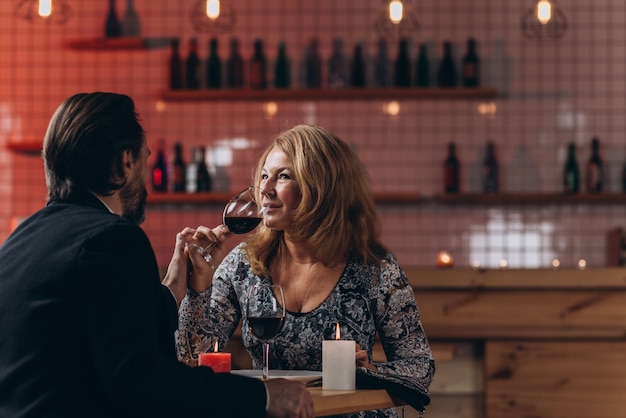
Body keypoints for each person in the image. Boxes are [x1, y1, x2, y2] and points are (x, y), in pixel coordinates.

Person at [0, 92, 313, 418]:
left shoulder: (18, 242)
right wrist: (262, 397)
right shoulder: (112, 238)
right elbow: (143, 381)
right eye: (145, 160)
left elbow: (108, 333)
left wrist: (172, 289)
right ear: (125, 163)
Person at [173, 124, 435, 418]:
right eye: (263, 176)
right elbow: (192, 363)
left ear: (321, 187)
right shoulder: (243, 264)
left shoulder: (374, 269)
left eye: (283, 176)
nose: (265, 190)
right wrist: (199, 286)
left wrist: (369, 371)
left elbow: (420, 367)